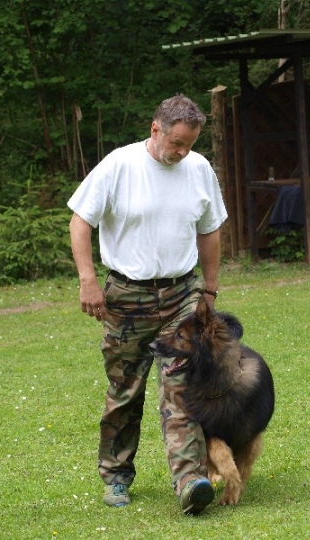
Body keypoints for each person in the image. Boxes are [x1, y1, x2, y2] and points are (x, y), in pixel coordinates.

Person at [67, 94, 228, 515]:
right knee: (126, 390)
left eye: (189, 144)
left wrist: (208, 290)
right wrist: (87, 280)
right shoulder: (119, 166)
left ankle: (190, 480)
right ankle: (116, 477)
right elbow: (80, 220)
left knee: (183, 386)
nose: (182, 152)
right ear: (155, 129)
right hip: (126, 297)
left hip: (181, 294)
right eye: (176, 143)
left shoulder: (198, 169)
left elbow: (210, 229)